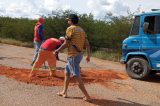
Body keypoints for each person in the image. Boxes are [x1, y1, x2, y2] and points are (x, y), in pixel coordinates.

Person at [55, 14, 91, 101]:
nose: (67, 21)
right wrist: (88, 55)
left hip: (73, 56)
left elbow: (65, 43)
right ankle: (64, 92)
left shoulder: (70, 29)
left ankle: (87, 96)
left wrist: (57, 51)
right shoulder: (82, 30)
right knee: (67, 73)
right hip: (79, 55)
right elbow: (87, 44)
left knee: (76, 76)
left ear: (71, 21)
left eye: (68, 20)